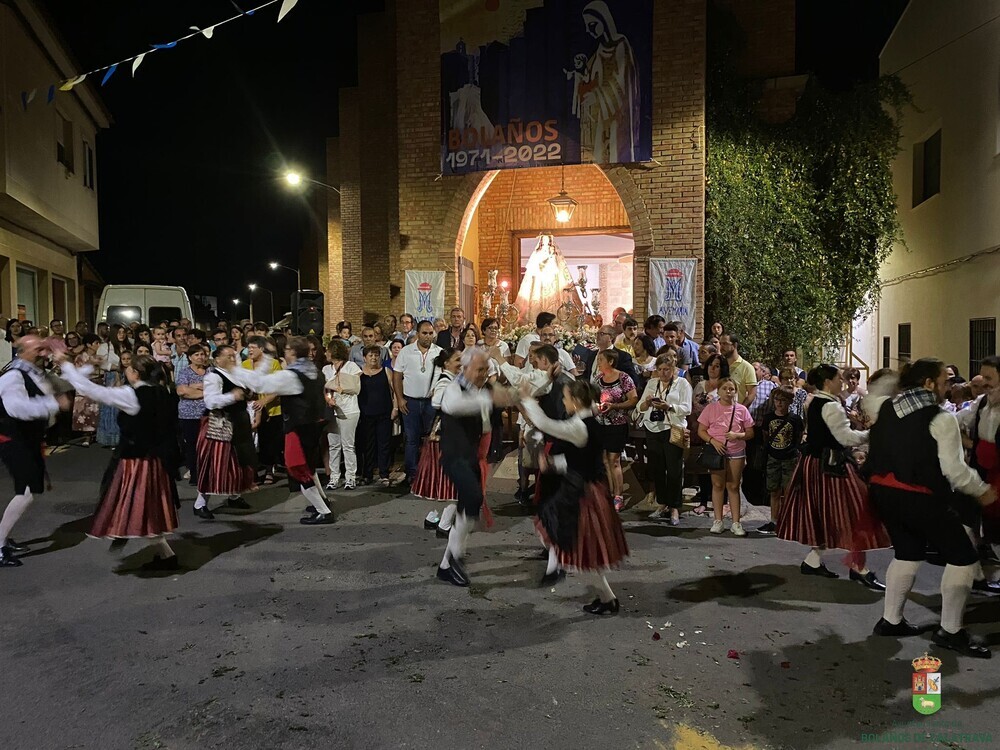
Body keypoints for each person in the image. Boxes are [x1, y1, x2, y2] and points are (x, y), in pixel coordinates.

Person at [867, 358, 994, 658]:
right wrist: (983, 490)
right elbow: (955, 470)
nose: (948, 386)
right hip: (920, 496)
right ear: (928, 384)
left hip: (883, 494)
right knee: (963, 558)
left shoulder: (885, 407)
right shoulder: (941, 418)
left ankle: (891, 620)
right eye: (944, 381)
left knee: (908, 553)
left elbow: (875, 391)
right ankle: (950, 631)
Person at [60, 354, 182, 570]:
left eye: (129, 368)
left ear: (134, 373)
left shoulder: (131, 395)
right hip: (156, 459)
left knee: (138, 507)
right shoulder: (163, 392)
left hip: (137, 460)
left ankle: (160, 552)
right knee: (148, 507)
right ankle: (166, 555)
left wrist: (68, 365)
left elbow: (90, 390)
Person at [520, 379, 630, 613]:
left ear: (577, 400)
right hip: (585, 488)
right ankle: (608, 599)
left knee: (580, 551)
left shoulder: (579, 426)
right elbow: (578, 459)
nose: (563, 401)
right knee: (585, 552)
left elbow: (545, 423)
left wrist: (527, 399)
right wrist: (552, 464)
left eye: (566, 397)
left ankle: (605, 598)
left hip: (583, 494)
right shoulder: (588, 422)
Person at [775, 364, 889, 588]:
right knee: (856, 513)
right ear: (827, 381)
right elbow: (845, 437)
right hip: (831, 465)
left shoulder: (816, 401)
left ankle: (814, 562)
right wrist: (873, 433)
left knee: (827, 514)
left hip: (816, 463)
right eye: (838, 378)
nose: (842, 381)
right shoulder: (830, 406)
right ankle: (858, 567)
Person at [229, 337, 335, 524]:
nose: (285, 352)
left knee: (297, 467)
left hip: (298, 426)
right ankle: (322, 501)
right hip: (313, 424)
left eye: (287, 349)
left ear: (292, 353)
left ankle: (323, 511)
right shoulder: (314, 370)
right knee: (308, 466)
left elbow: (260, 385)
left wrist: (267, 357)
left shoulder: (291, 375)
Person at [435, 348, 515, 587]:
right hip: (454, 455)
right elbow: (455, 406)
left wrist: (517, 395)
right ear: (466, 368)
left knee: (469, 504)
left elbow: (501, 404)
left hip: (470, 455)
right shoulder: (452, 388)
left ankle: (447, 564)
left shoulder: (484, 390)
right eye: (480, 369)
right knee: (471, 497)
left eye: (486, 369)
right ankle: (455, 557)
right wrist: (489, 399)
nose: (483, 374)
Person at [0, 336, 70, 566]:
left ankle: (2, 539)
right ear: (23, 351)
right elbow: (17, 409)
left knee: (27, 490)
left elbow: (59, 387)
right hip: (12, 438)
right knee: (28, 491)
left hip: (25, 438)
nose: (43, 352)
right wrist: (51, 405)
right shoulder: (13, 375)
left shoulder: (32, 371)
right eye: (38, 349)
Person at [192, 346, 256, 519]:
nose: (232, 359)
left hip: (239, 423)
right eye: (228, 356)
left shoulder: (238, 375)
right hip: (220, 425)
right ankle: (200, 503)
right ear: (217, 359)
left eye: (233, 356)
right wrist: (231, 397)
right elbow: (211, 402)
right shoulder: (213, 376)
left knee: (239, 462)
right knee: (215, 464)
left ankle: (234, 496)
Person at [637, 349, 692, 525]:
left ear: (673, 369)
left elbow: (687, 408)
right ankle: (662, 504)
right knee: (657, 469)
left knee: (674, 469)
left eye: (666, 369)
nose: (663, 373)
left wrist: (669, 407)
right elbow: (640, 407)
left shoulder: (682, 384)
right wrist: (646, 403)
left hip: (672, 428)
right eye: (660, 369)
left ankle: (675, 507)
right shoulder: (652, 383)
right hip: (653, 428)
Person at [697, 378, 755, 536]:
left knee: (734, 486)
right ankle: (718, 520)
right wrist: (713, 441)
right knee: (717, 485)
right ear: (719, 391)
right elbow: (701, 430)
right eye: (725, 389)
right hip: (717, 451)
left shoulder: (742, 410)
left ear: (736, 391)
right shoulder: (711, 409)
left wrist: (738, 435)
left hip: (736, 452)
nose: (728, 392)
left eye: (731, 389)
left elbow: (750, 432)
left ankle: (736, 523)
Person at [393, 320, 442, 487]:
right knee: (411, 439)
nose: (428, 337)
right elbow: (397, 376)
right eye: (424, 333)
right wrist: (399, 399)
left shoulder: (439, 352)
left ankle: (429, 473)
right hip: (411, 402)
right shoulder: (406, 352)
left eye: (430, 333)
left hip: (431, 403)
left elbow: (447, 375)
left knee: (431, 439)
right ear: (418, 333)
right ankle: (412, 474)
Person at [412, 348, 461, 504]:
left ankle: (435, 518)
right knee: (447, 479)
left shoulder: (454, 379)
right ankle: (443, 521)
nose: (461, 363)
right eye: (457, 360)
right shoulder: (445, 381)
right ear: (447, 363)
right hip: (446, 433)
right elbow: (436, 402)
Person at [593, 350, 638, 511]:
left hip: (617, 424)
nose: (598, 363)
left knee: (614, 459)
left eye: (601, 360)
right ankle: (610, 492)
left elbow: (633, 399)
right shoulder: (598, 380)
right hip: (601, 423)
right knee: (605, 459)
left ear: (610, 361)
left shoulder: (623, 378)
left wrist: (615, 406)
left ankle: (619, 495)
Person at [757, 386, 804, 535]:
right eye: (777, 400)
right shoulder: (769, 418)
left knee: (789, 491)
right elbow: (766, 434)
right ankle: (774, 521)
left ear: (790, 402)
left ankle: (790, 521)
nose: (779, 403)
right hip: (773, 457)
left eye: (783, 400)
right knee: (774, 491)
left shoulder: (795, 419)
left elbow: (799, 436)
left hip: (789, 457)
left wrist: (794, 451)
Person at [323, 339, 362, 491]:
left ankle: (350, 477)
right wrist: (328, 399)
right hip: (332, 411)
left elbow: (355, 388)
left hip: (349, 410)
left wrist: (340, 388)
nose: (326, 353)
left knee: (348, 445)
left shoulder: (351, 367)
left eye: (328, 350)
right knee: (333, 445)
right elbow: (325, 389)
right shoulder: (326, 369)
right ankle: (334, 477)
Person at [243, 336, 282, 485]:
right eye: (249, 347)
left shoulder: (273, 364)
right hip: (250, 409)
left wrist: (264, 401)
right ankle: (252, 472)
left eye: (253, 347)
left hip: (271, 410)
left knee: (268, 442)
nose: (250, 350)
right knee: (251, 443)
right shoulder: (245, 364)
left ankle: (268, 470)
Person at [358, 345, 398, 487]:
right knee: (367, 446)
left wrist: (395, 408)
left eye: (376, 355)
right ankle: (367, 474)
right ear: (364, 358)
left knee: (384, 444)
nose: (374, 358)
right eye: (370, 355)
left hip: (384, 413)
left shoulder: (386, 371)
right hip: (366, 414)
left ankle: (384, 474)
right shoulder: (359, 373)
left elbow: (394, 391)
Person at [175, 344, 208, 486]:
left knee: (207, 447)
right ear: (190, 357)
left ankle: (208, 474)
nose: (200, 357)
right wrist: (205, 391)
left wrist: (193, 387)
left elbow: (216, 388)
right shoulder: (184, 373)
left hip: (207, 415)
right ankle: (195, 474)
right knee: (192, 446)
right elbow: (182, 391)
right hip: (188, 416)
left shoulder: (211, 372)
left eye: (202, 354)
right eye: (196, 355)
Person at [719, 334, 757, 407]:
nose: (721, 347)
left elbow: (752, 394)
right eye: (720, 343)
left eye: (725, 343)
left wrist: (739, 410)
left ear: (735, 345)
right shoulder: (719, 365)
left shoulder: (747, 367)